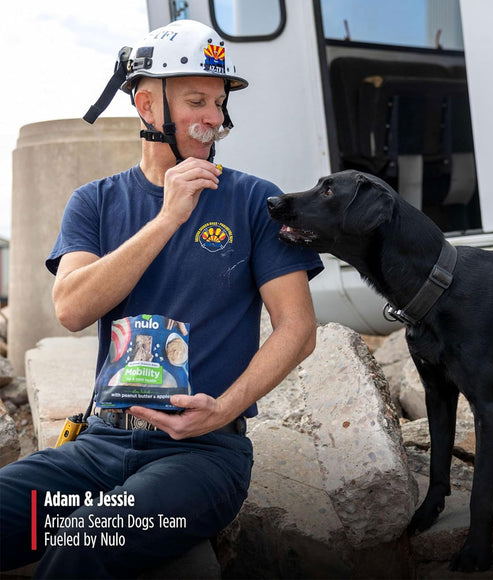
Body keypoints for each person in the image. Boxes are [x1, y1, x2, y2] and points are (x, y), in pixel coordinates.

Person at [0, 19, 322, 578]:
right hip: (99, 448)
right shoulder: (95, 202)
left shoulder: (253, 200)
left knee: (81, 548)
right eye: (197, 101)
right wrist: (169, 216)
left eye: (219, 103)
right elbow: (72, 308)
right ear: (147, 106)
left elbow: (298, 328)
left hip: (201, 458)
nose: (214, 120)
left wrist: (223, 409)